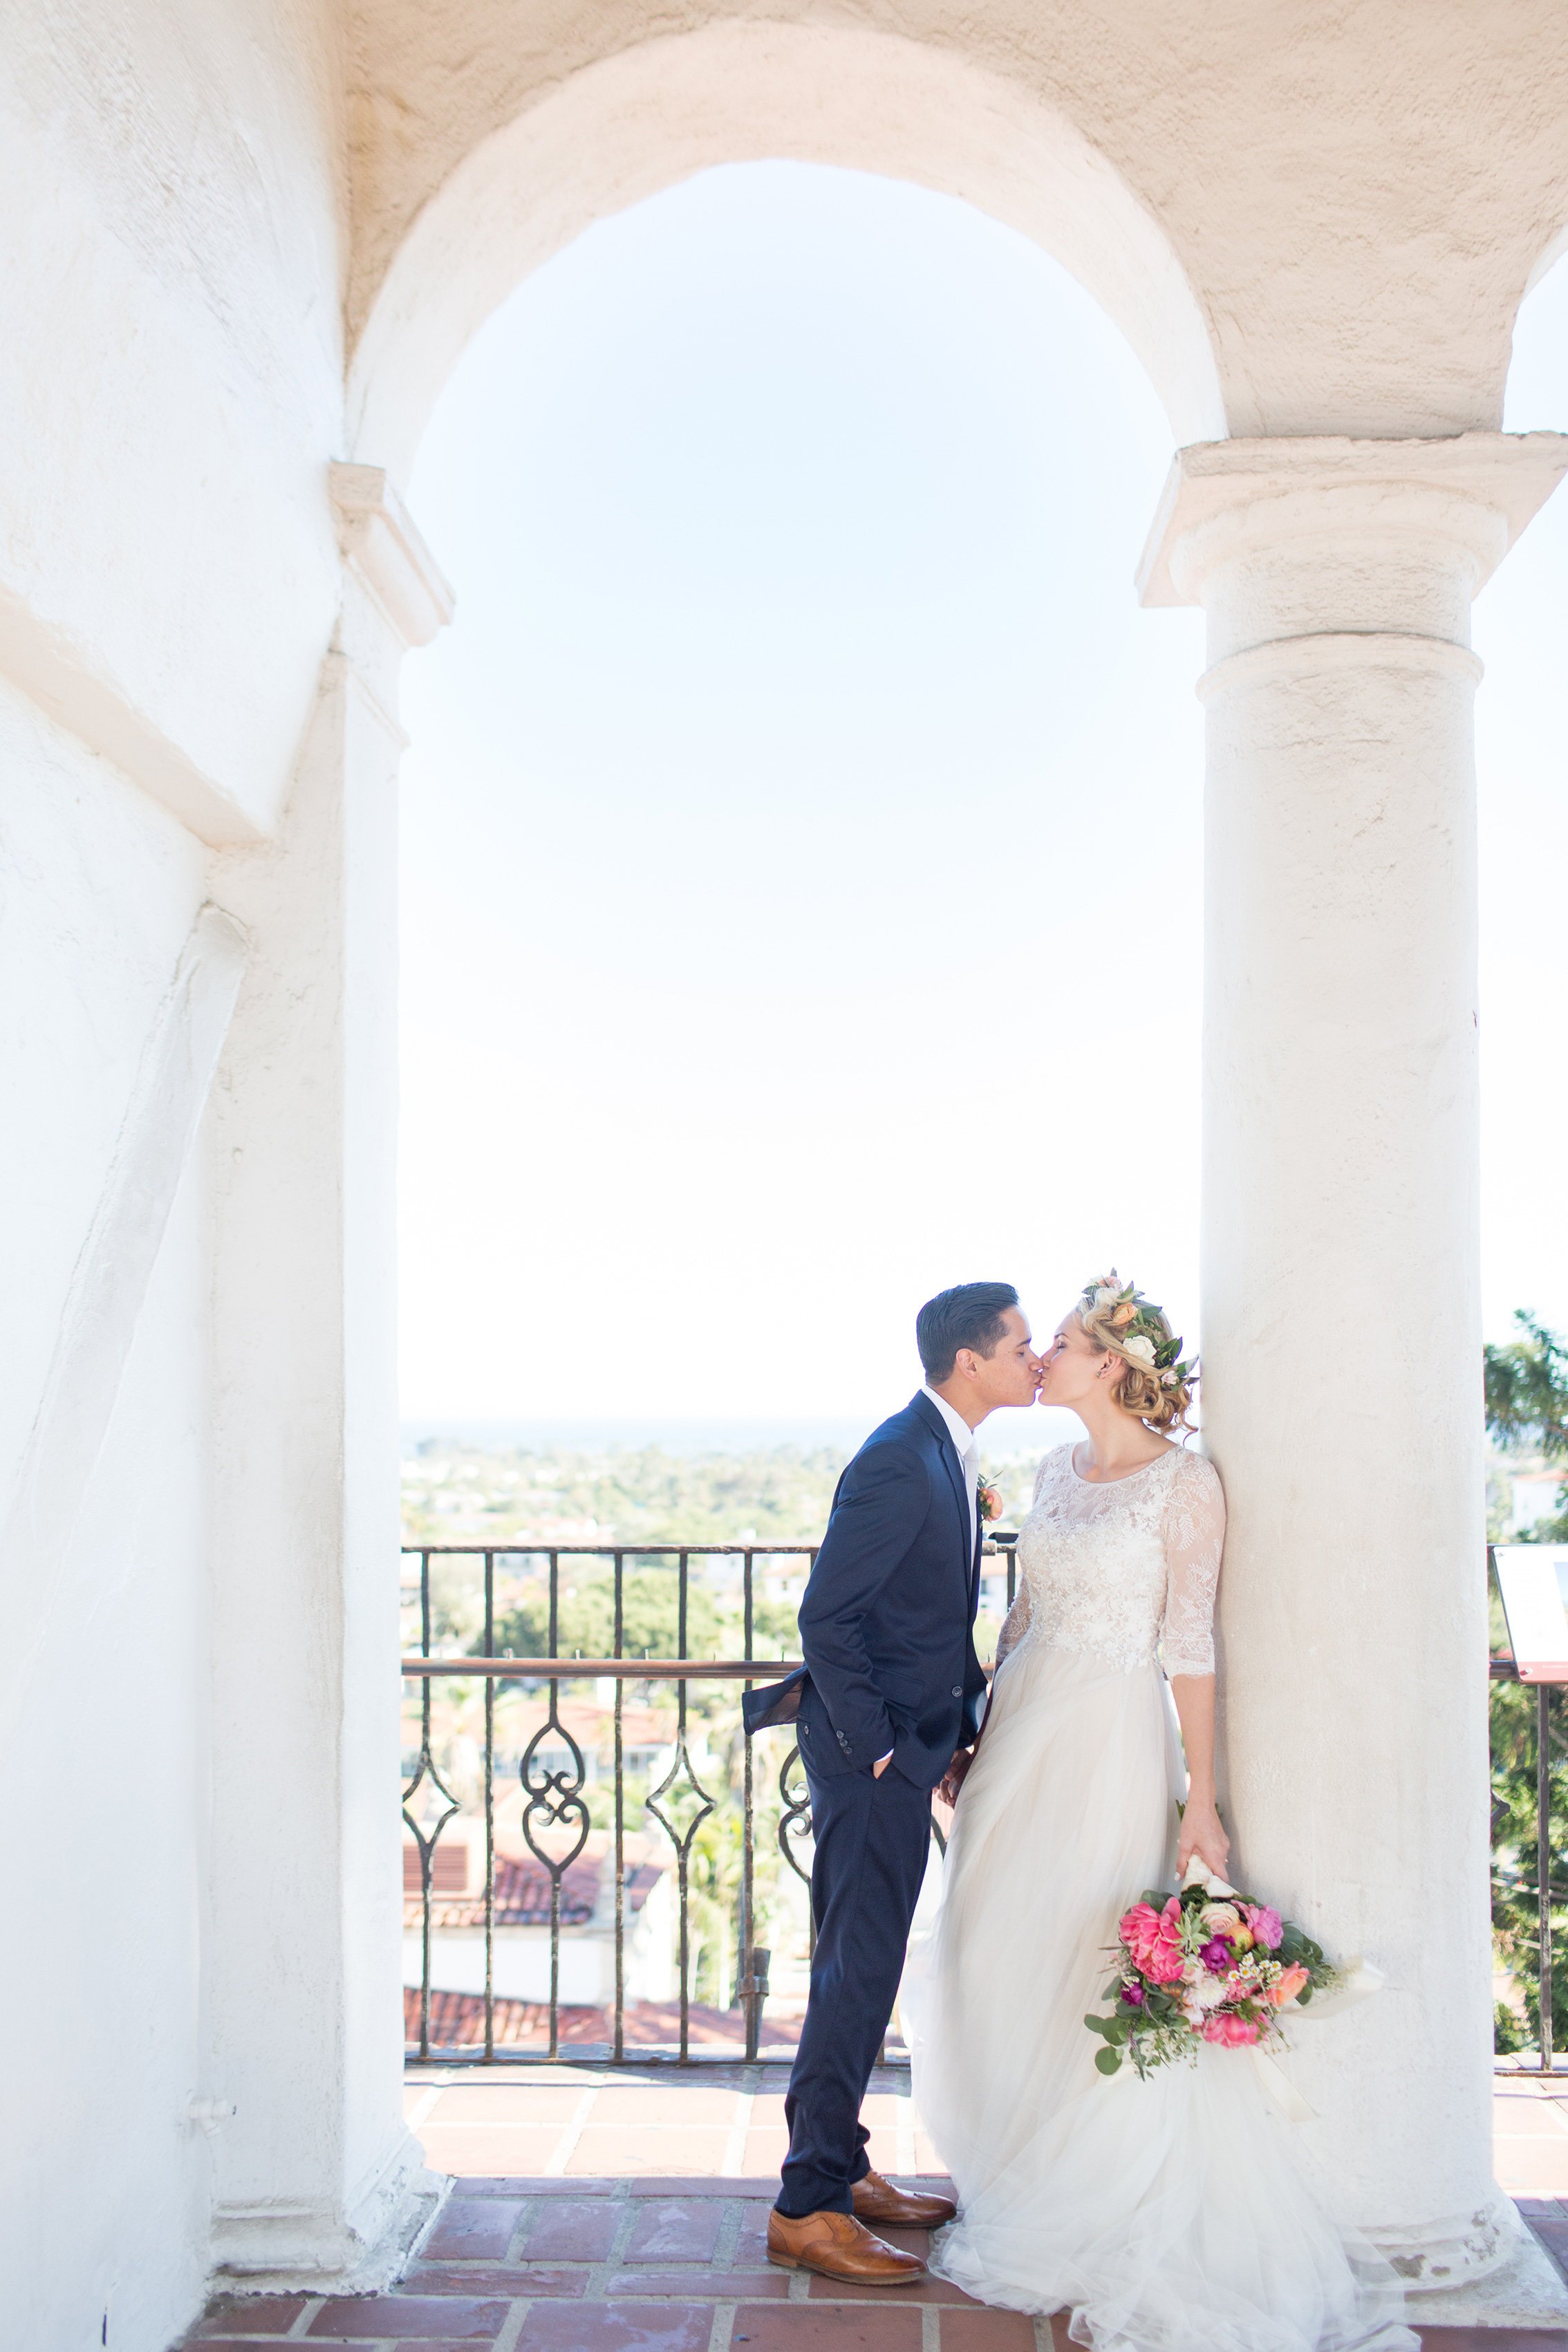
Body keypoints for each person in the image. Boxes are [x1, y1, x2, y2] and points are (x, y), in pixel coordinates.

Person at [904, 1273, 1417, 2352]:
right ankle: (1014, 2159)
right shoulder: (1049, 1468)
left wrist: (1202, 1799)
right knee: (996, 1943)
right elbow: (1024, 1615)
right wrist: (983, 1730)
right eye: (1036, 1340)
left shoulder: (1186, 1486)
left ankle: (1084, 2185)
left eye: (1065, 1341)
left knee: (1081, 1946)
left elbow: (1192, 1643)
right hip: (1021, 1733)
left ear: (1116, 1365)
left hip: (1105, 1741)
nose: (1041, 1352)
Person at [743, 1280, 1042, 2287]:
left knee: (854, 1962)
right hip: (868, 1762)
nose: (1034, 1358)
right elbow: (826, 1617)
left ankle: (841, 2165)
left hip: (906, 1749)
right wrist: (884, 1752)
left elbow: (933, 1625)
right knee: (857, 1970)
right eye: (1021, 1345)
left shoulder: (944, 1450)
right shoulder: (900, 1461)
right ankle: (807, 2206)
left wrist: (949, 1730)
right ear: (971, 1360)